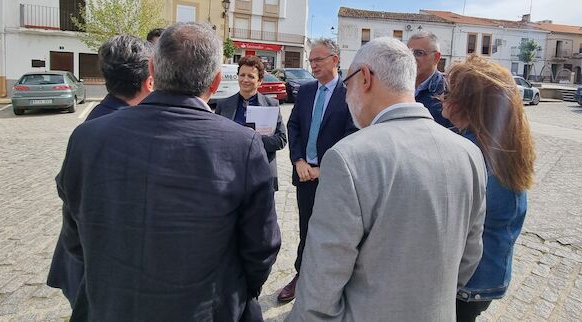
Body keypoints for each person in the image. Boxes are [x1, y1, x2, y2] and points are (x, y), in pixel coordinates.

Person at [53, 23, 281, 321]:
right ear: (215, 82)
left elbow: (75, 237)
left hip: (110, 306)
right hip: (205, 310)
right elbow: (261, 247)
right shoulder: (242, 146)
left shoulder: (86, 137)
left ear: (152, 69)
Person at [288, 38, 486, 321]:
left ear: (365, 78)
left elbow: (322, 279)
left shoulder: (347, 157)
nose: (346, 96)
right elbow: (469, 256)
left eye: (348, 85)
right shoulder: (469, 153)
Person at [47, 34, 154, 306]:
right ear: (149, 80)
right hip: (100, 270)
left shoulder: (91, 125)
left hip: (83, 260)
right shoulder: (127, 128)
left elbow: (66, 190)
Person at [443, 55, 535, 322]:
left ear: (469, 103)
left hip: (467, 281)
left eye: (449, 92)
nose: (442, 98)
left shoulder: (473, 151)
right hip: (490, 274)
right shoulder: (503, 143)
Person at [278, 38, 356, 303]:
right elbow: (294, 126)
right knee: (306, 228)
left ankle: (329, 284)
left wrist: (326, 169)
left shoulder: (350, 93)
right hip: (305, 175)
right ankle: (301, 275)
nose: (313, 65)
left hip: (334, 178)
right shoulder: (307, 90)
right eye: (311, 60)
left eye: (318, 60)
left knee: (335, 233)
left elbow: (352, 135)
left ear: (335, 60)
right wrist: (298, 160)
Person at [215, 56, 287, 191]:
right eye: (242, 75)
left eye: (251, 76)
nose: (245, 80)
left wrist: (254, 140)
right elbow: (216, 139)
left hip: (262, 174)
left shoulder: (271, 105)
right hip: (231, 173)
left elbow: (281, 140)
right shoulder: (223, 105)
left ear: (260, 81)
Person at [407, 31, 452, 127]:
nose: (411, 58)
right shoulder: (396, 87)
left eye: (419, 53)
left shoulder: (447, 93)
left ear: (436, 58)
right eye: (408, 53)